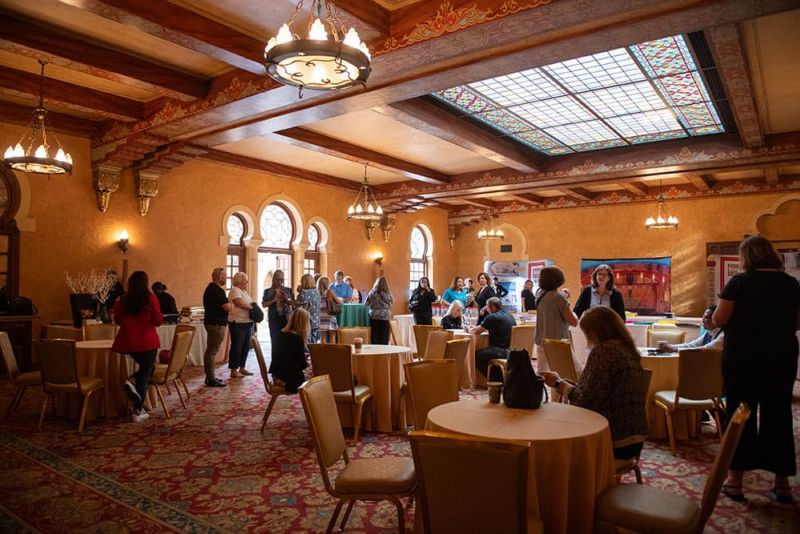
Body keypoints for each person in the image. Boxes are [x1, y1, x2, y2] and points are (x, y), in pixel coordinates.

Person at [712, 236, 800, 503]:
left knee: (740, 414)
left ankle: (735, 481)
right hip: (781, 357)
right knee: (779, 414)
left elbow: (720, 318)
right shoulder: (791, 284)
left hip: (743, 357)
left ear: (747, 257)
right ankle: (782, 483)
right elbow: (797, 322)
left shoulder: (739, 283)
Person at [541, 306, 650, 460]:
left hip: (612, 438)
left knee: (553, 436)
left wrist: (559, 384)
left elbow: (586, 401)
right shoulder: (628, 349)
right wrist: (572, 386)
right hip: (635, 438)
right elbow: (602, 391)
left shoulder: (605, 351)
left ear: (595, 331)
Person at [113, 271, 163, 422]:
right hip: (147, 341)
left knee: (147, 369)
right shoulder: (150, 298)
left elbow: (118, 320)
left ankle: (133, 383)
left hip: (128, 342)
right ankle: (137, 410)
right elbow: (157, 320)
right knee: (145, 374)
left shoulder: (122, 300)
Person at [534, 266, 578, 371]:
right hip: (558, 342)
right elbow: (573, 322)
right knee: (565, 372)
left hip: (542, 339)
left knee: (542, 371)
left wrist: (563, 297)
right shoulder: (559, 298)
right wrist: (572, 310)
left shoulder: (539, 295)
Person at [470, 297, 516, 381]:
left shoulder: (492, 317)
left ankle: (495, 380)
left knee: (477, 356)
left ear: (493, 307)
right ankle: (500, 378)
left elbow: (475, 332)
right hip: (511, 350)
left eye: (487, 307)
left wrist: (468, 329)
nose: (487, 310)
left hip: (500, 351)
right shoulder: (510, 316)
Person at [201, 267, 232, 387]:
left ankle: (209, 376)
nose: (225, 277)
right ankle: (210, 378)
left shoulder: (210, 289)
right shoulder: (217, 290)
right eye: (224, 275)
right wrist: (231, 305)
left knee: (210, 350)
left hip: (212, 323)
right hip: (216, 324)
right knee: (212, 351)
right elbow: (227, 307)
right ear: (218, 277)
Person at [270, 307, 311, 393]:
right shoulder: (297, 339)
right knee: (317, 376)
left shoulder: (281, 334)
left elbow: (287, 356)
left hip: (277, 375)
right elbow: (302, 365)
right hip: (289, 380)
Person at [658, 305, 724, 352]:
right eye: (703, 317)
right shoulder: (709, 332)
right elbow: (693, 345)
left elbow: (706, 348)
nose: (702, 320)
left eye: (706, 318)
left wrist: (674, 349)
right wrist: (671, 347)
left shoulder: (723, 335)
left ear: (715, 319)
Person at [227, 272, 255, 379]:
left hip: (246, 322)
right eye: (245, 281)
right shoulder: (235, 290)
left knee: (245, 346)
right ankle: (234, 370)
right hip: (238, 323)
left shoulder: (244, 292)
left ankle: (242, 367)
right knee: (237, 346)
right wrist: (252, 308)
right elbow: (239, 303)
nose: (247, 283)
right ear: (240, 281)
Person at [262, 270, 295, 357]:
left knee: (286, 341)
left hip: (286, 318)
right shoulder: (268, 291)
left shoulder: (288, 290)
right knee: (275, 341)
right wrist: (274, 300)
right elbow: (264, 304)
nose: (280, 282)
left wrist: (286, 300)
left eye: (282, 280)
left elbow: (294, 304)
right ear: (274, 279)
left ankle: (285, 361)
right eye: (278, 279)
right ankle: (275, 362)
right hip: (274, 318)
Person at [365, 276, 393, 344]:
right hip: (385, 317)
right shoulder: (387, 293)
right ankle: (384, 349)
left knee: (374, 336)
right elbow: (391, 302)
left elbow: (366, 303)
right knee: (384, 336)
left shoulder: (372, 292)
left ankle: (375, 349)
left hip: (374, 316)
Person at [296, 273, 321, 343]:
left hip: (306, 322)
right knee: (314, 344)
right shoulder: (317, 292)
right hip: (316, 322)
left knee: (305, 344)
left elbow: (299, 308)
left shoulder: (304, 293)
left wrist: (299, 293)